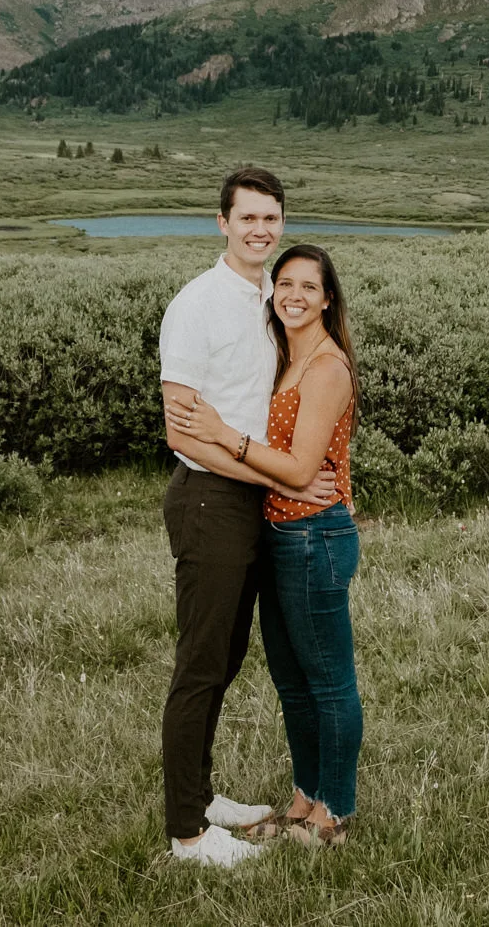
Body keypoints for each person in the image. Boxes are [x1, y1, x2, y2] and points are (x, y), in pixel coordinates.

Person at [155, 166, 335, 868]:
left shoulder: (275, 297)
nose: (261, 228)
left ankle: (200, 796)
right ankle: (187, 834)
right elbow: (181, 432)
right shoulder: (196, 305)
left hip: (257, 500)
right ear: (222, 222)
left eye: (272, 217)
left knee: (227, 659)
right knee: (200, 664)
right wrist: (268, 470)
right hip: (210, 499)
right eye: (247, 217)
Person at [170, 243, 363, 848]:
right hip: (281, 531)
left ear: (328, 298)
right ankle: (305, 796)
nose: (295, 295)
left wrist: (225, 435)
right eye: (285, 284)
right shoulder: (283, 354)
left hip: (316, 535)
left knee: (327, 681)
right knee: (290, 678)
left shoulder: (327, 368)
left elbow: (304, 465)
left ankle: (332, 810)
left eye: (310, 286)